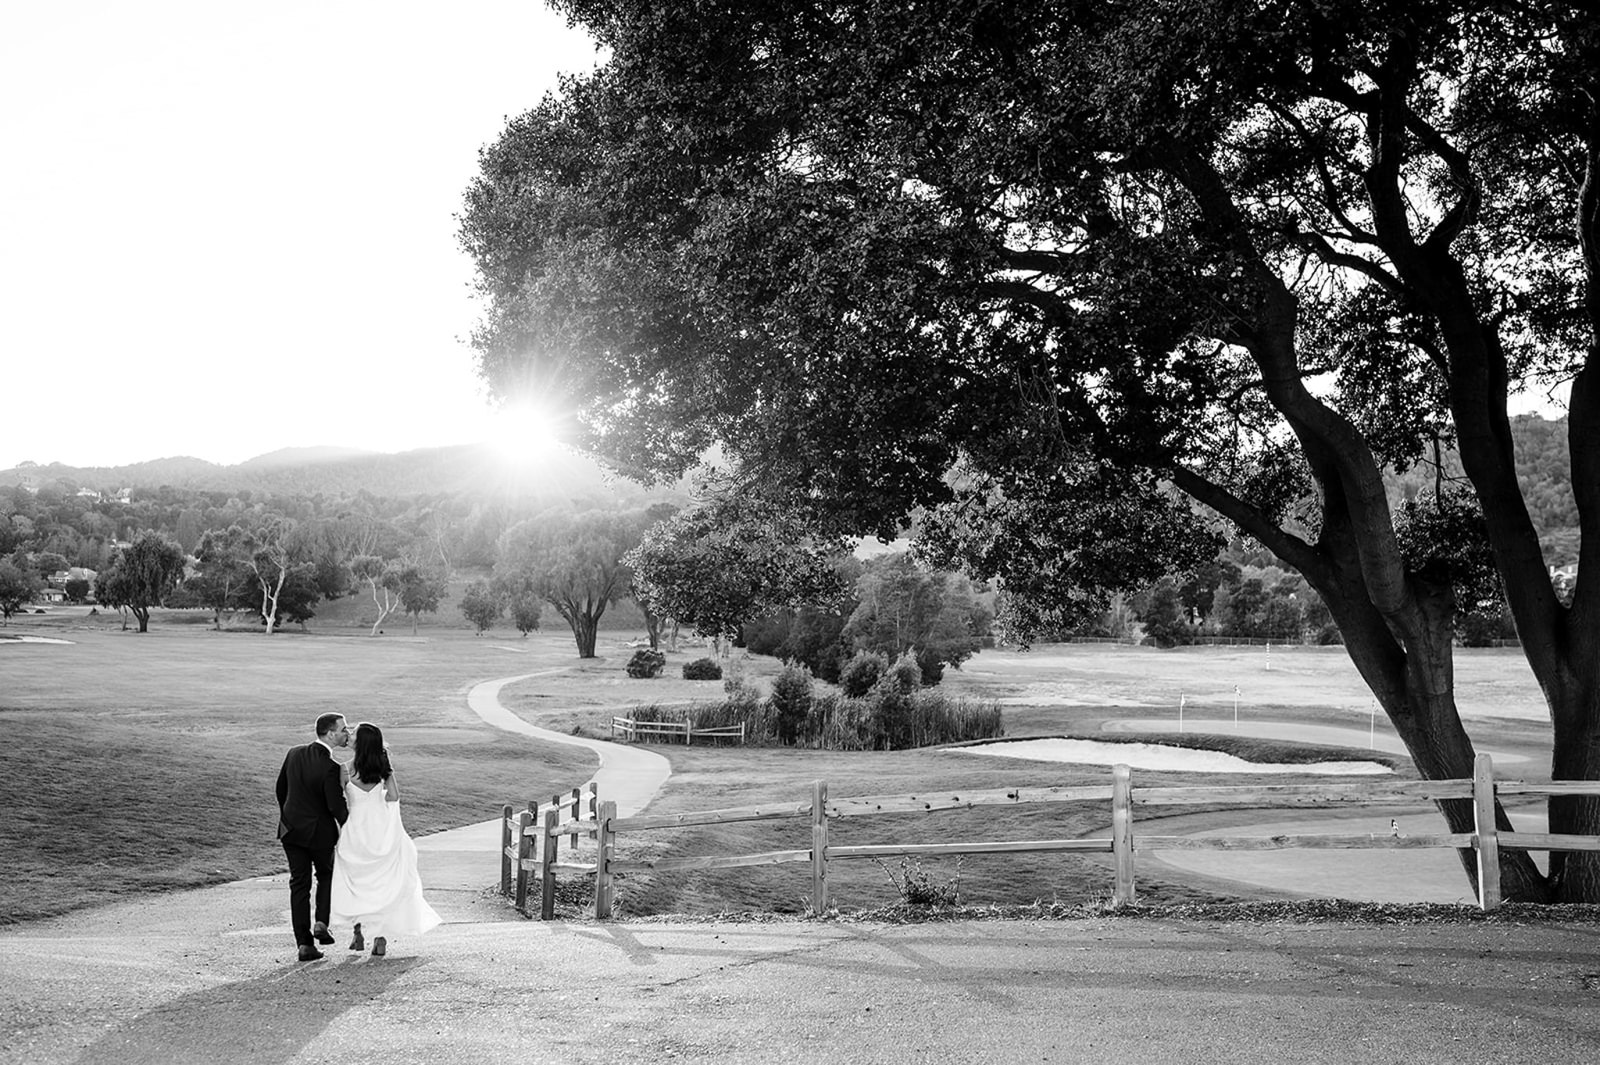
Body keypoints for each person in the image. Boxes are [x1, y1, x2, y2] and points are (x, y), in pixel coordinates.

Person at [329, 722, 441, 957]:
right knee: (381, 882)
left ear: (360, 743)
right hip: (380, 830)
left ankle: (357, 931)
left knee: (357, 880)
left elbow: (339, 802)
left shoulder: (344, 770)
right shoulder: (383, 770)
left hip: (356, 830)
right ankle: (379, 938)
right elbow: (394, 796)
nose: (349, 735)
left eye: (354, 734)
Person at [275, 713, 350, 962]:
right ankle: (321, 921)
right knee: (326, 876)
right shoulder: (331, 767)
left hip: (291, 830)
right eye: (343, 729)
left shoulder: (294, 753)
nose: (346, 732)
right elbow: (335, 807)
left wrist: (288, 816)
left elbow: (281, 789)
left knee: (299, 884)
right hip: (320, 834)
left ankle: (304, 945)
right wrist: (352, 825)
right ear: (330, 733)